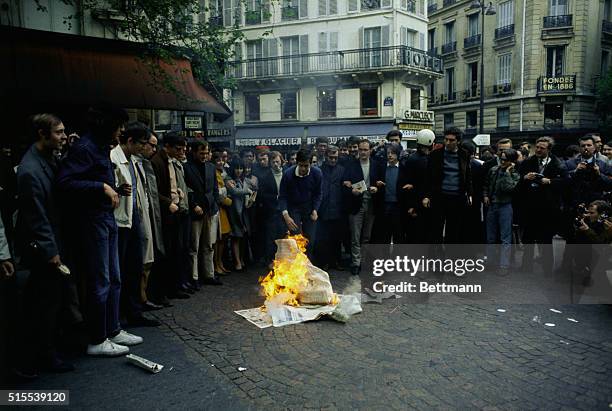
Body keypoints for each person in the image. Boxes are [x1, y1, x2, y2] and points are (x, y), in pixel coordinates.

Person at [57, 105, 142, 356]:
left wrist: (114, 188)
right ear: (107, 126)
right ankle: (97, 338)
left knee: (114, 278)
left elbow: (96, 180)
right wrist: (101, 187)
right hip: (93, 221)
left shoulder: (102, 147)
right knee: (101, 280)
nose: (122, 131)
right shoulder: (85, 148)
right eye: (119, 127)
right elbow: (66, 182)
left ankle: (112, 329)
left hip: (106, 217)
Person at [16, 114, 76, 373]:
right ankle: (42, 355)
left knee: (50, 300)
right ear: (42, 134)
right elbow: (36, 216)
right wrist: (51, 251)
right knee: (44, 304)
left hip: (54, 240)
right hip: (43, 248)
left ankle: (48, 349)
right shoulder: (30, 170)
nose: (63, 137)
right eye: (59, 133)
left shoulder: (49, 158)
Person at [110, 123, 160, 327]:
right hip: (120, 222)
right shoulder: (113, 157)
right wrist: (116, 189)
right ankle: (119, 315)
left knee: (134, 268)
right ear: (129, 141)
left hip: (134, 218)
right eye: (142, 143)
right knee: (120, 271)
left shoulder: (134, 160)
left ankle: (134, 312)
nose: (144, 147)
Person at [150, 132, 191, 301]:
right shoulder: (157, 161)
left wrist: (178, 193)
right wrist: (169, 203)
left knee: (176, 251)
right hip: (166, 214)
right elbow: (154, 191)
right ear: (167, 146)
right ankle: (162, 292)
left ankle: (173, 288)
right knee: (165, 253)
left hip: (175, 211)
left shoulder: (171, 161)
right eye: (178, 148)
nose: (181, 152)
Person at [517, 136, 567, 273]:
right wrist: (525, 178)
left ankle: (547, 268)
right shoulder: (527, 162)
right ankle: (526, 266)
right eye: (537, 147)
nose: (538, 150)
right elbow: (518, 180)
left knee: (545, 240)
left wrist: (549, 181)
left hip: (547, 208)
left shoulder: (558, 163)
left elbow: (565, 182)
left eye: (542, 148)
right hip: (529, 207)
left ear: (549, 149)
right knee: (528, 239)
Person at [422, 127, 473, 244]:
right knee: (436, 230)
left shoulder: (464, 154)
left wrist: (470, 194)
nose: (448, 142)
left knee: (453, 230)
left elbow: (468, 176)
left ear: (458, 141)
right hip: (439, 196)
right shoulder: (435, 155)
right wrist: (426, 196)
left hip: (457, 197)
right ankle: (435, 258)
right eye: (446, 139)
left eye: (451, 140)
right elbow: (428, 177)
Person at [184, 141, 222, 286]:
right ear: (193, 152)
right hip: (196, 211)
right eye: (201, 153)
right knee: (194, 246)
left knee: (209, 245)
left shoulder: (211, 167)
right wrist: (194, 205)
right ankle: (194, 278)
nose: (204, 156)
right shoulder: (186, 168)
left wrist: (214, 204)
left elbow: (215, 189)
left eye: (206, 153)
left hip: (210, 210)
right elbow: (186, 189)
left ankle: (209, 275)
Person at [278, 149, 323, 257]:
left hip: (309, 208)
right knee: (295, 240)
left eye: (306, 166)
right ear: (297, 163)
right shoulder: (288, 174)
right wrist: (286, 216)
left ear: (310, 164)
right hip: (293, 208)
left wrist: (315, 210)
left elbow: (318, 194)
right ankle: (296, 266)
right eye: (301, 165)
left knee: (310, 241)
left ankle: (308, 266)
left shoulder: (317, 173)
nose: (303, 169)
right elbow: (282, 197)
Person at [483, 148, 521, 275]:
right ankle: (490, 262)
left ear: (512, 161)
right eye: (501, 158)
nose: (502, 161)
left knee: (505, 237)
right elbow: (486, 184)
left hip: (505, 205)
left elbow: (509, 188)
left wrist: (507, 173)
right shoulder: (494, 170)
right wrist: (486, 195)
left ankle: (504, 265)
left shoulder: (514, 173)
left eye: (505, 160)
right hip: (493, 204)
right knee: (490, 236)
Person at [344, 139, 379, 275]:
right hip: (355, 204)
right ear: (358, 150)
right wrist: (351, 190)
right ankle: (355, 263)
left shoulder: (376, 165)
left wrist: (377, 187)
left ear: (370, 150)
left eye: (366, 149)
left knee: (367, 236)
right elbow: (345, 183)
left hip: (371, 203)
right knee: (355, 235)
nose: (363, 152)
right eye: (361, 149)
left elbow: (380, 182)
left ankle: (365, 262)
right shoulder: (351, 165)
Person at [315, 145, 345, 270]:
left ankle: (336, 261)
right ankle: (325, 262)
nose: (333, 160)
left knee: (337, 238)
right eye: (331, 157)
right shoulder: (320, 170)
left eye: (335, 158)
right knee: (324, 238)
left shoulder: (342, 170)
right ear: (326, 157)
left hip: (338, 208)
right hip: (324, 209)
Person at [402, 129, 434, 244]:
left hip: (415, 204)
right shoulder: (425, 160)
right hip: (420, 205)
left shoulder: (412, 158)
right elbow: (424, 184)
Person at [372, 143, 404, 244]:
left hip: (398, 205)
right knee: (384, 235)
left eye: (393, 153)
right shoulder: (381, 168)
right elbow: (375, 183)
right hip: (384, 205)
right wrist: (377, 185)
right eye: (388, 153)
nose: (390, 155)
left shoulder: (403, 168)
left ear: (398, 155)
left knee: (398, 235)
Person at [227, 159, 253, 271]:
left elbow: (255, 187)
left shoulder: (244, 180)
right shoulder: (229, 180)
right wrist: (248, 191)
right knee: (236, 237)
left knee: (243, 237)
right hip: (234, 213)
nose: (239, 171)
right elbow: (235, 192)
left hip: (244, 212)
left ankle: (241, 260)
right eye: (236, 168)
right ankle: (237, 262)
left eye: (241, 168)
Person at [213, 151, 233, 275]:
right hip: (219, 208)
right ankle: (216, 265)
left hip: (223, 209)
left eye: (222, 160)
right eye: (218, 161)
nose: (221, 162)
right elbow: (219, 194)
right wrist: (229, 201)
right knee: (219, 238)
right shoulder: (215, 174)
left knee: (224, 237)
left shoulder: (222, 173)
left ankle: (219, 263)